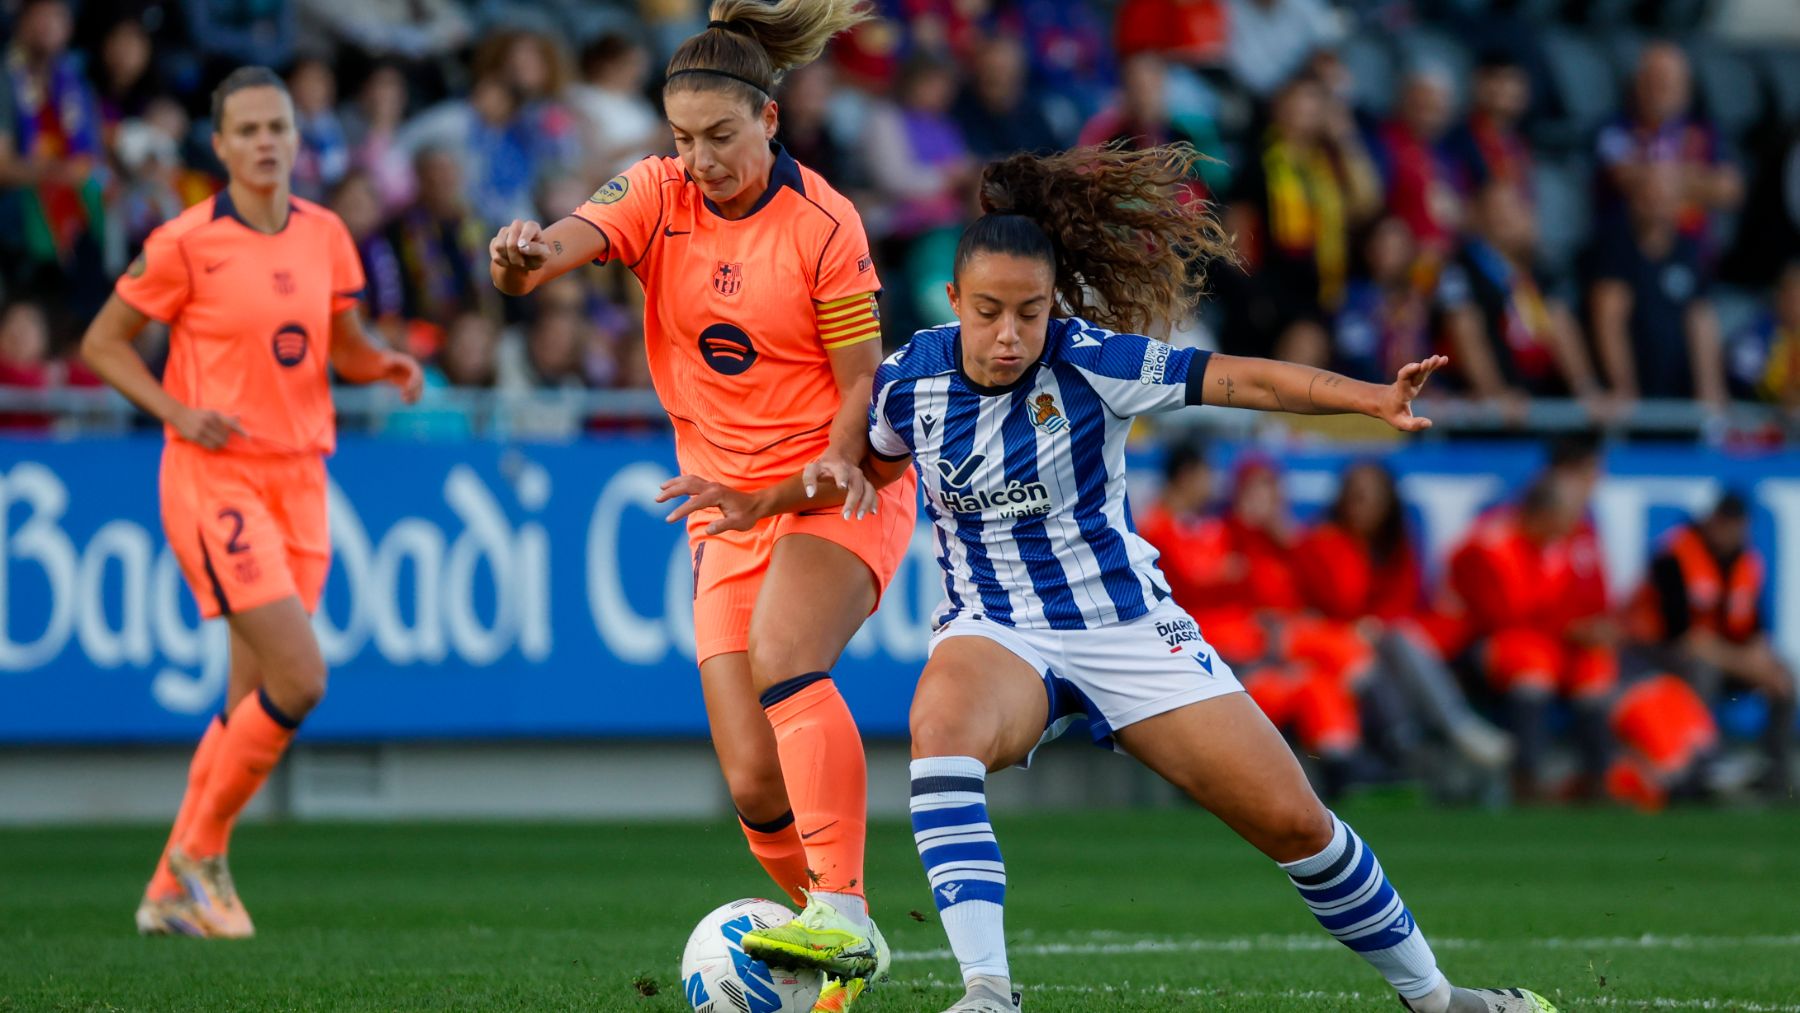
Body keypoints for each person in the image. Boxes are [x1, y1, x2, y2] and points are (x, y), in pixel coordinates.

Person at [665, 143, 1555, 1013]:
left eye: (1030, 312)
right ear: (953, 301)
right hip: (997, 628)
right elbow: (863, 469)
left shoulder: (1096, 360)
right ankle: (987, 992)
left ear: (1054, 303)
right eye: (989, 311)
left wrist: (1370, 398)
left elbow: (1244, 382)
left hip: (1126, 627)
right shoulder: (909, 382)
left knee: (1296, 823)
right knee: (940, 729)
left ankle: (1441, 998)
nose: (1009, 334)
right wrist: (758, 500)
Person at [485, 4, 914, 1008]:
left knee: (785, 655)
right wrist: (521, 259)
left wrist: (820, 469)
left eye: (720, 135)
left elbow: (860, 382)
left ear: (770, 119)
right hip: (726, 508)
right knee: (755, 783)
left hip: (833, 485)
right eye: (683, 137)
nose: (700, 158)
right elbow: (564, 243)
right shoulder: (657, 190)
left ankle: (843, 911)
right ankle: (839, 947)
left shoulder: (825, 224)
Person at [78, 66, 423, 939]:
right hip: (215, 476)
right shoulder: (186, 241)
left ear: (297, 139)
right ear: (221, 145)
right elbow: (103, 343)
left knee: (247, 699)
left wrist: (383, 363)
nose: (267, 142)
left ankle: (168, 890)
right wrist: (175, 410)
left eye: (279, 127)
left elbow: (343, 343)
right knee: (300, 676)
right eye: (249, 130)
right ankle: (200, 854)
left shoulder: (325, 235)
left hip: (301, 477)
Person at [1629, 493, 1795, 799]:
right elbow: (1683, 637)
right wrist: (1743, 664)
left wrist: (1762, 664)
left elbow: (1754, 629)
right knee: (1703, 672)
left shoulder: (1744, 561)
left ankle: (1777, 777)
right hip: (1661, 655)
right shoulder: (1674, 555)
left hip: (1722, 655)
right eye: (1725, 524)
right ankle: (1700, 773)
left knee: (1783, 676)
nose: (1730, 533)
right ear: (1712, 521)